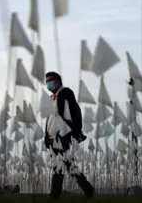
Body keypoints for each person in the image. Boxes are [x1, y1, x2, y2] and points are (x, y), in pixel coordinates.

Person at [44, 71, 95, 199]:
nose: (48, 84)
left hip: (62, 135)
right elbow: (50, 118)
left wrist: (73, 131)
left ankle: (55, 194)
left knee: (59, 165)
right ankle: (88, 189)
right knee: (68, 164)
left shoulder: (65, 92)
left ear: (58, 82)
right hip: (52, 137)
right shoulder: (51, 99)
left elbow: (73, 112)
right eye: (46, 82)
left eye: (50, 81)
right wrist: (47, 135)